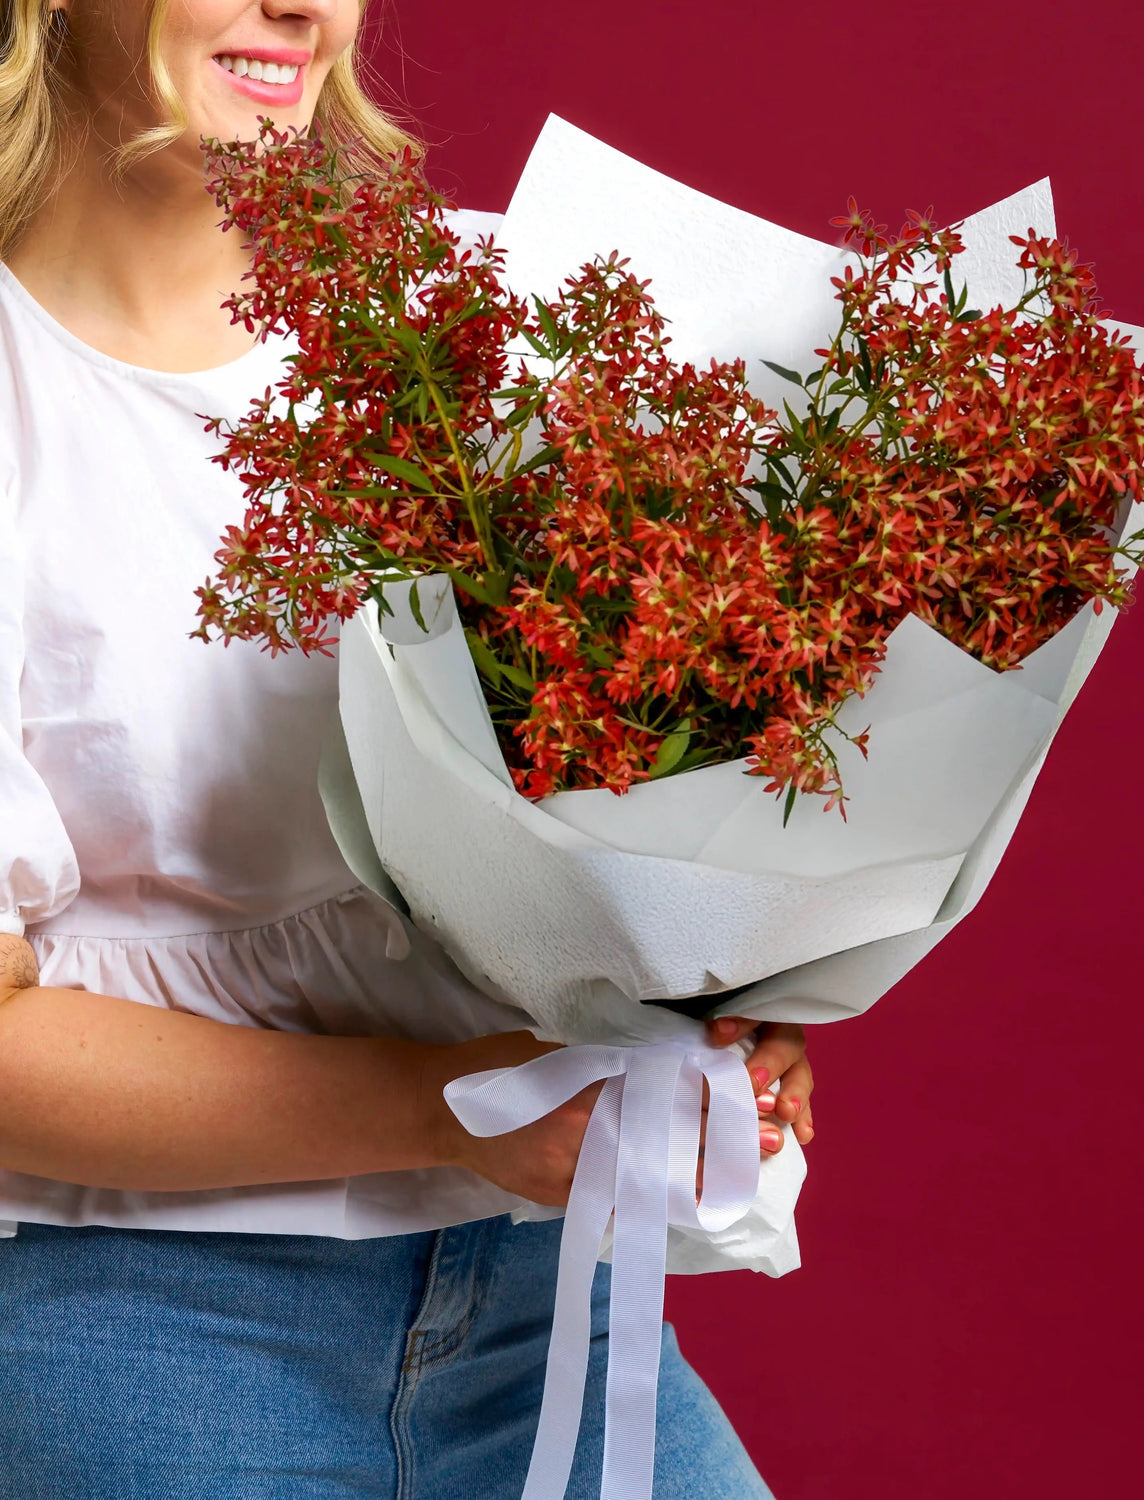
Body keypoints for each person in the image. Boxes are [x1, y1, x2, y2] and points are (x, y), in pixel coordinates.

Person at [0, 2, 816, 1495]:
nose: (304, 6)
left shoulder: (500, 314)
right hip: (133, 1321)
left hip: (539, 1301)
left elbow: (663, 772)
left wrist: (732, 1006)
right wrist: (471, 1105)